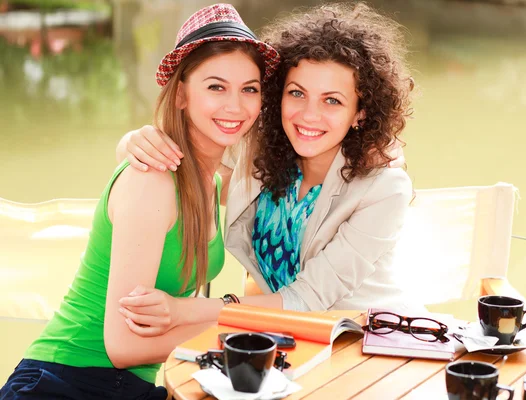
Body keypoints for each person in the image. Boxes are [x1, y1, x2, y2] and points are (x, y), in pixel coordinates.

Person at [0, 4, 280, 399]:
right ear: (181, 94)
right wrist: (236, 316)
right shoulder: (153, 180)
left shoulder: (215, 182)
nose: (235, 106)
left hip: (129, 387)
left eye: (249, 89)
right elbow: (124, 348)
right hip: (66, 381)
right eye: (216, 86)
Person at [115, 2, 422, 337]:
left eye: (332, 100)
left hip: (374, 344)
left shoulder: (384, 187)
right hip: (292, 345)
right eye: (297, 93)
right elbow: (197, 167)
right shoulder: (265, 159)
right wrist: (133, 142)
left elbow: (307, 298)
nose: (309, 115)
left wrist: (184, 310)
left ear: (360, 112)